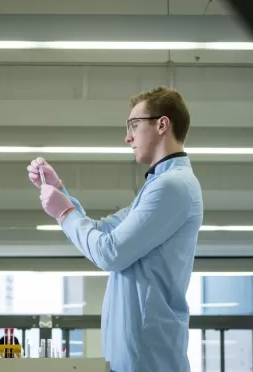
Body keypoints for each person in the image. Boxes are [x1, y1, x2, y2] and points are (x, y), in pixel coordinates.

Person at [27, 87, 203, 372]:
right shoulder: (160, 185)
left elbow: (109, 253)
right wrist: (60, 192)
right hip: (139, 357)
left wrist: (64, 212)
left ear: (162, 124)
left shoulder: (172, 187)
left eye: (134, 125)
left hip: (149, 360)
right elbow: (102, 231)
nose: (128, 137)